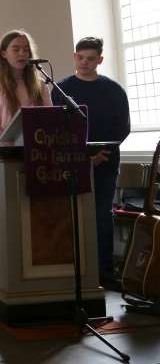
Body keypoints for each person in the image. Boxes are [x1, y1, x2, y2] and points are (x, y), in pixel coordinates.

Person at [52, 37, 130, 288]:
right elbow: (58, 129)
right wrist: (85, 157)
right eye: (80, 57)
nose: (84, 62)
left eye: (91, 58)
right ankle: (71, 271)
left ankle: (105, 273)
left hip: (106, 161)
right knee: (71, 215)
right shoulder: (61, 89)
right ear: (75, 57)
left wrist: (101, 154)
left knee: (102, 216)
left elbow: (123, 127)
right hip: (72, 161)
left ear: (100, 60)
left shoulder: (114, 89)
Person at [0, 30, 52, 148]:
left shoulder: (41, 85)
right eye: (16, 49)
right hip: (4, 153)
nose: (22, 53)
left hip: (36, 150)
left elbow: (49, 118)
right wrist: (7, 149)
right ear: (4, 53)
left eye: (26, 49)